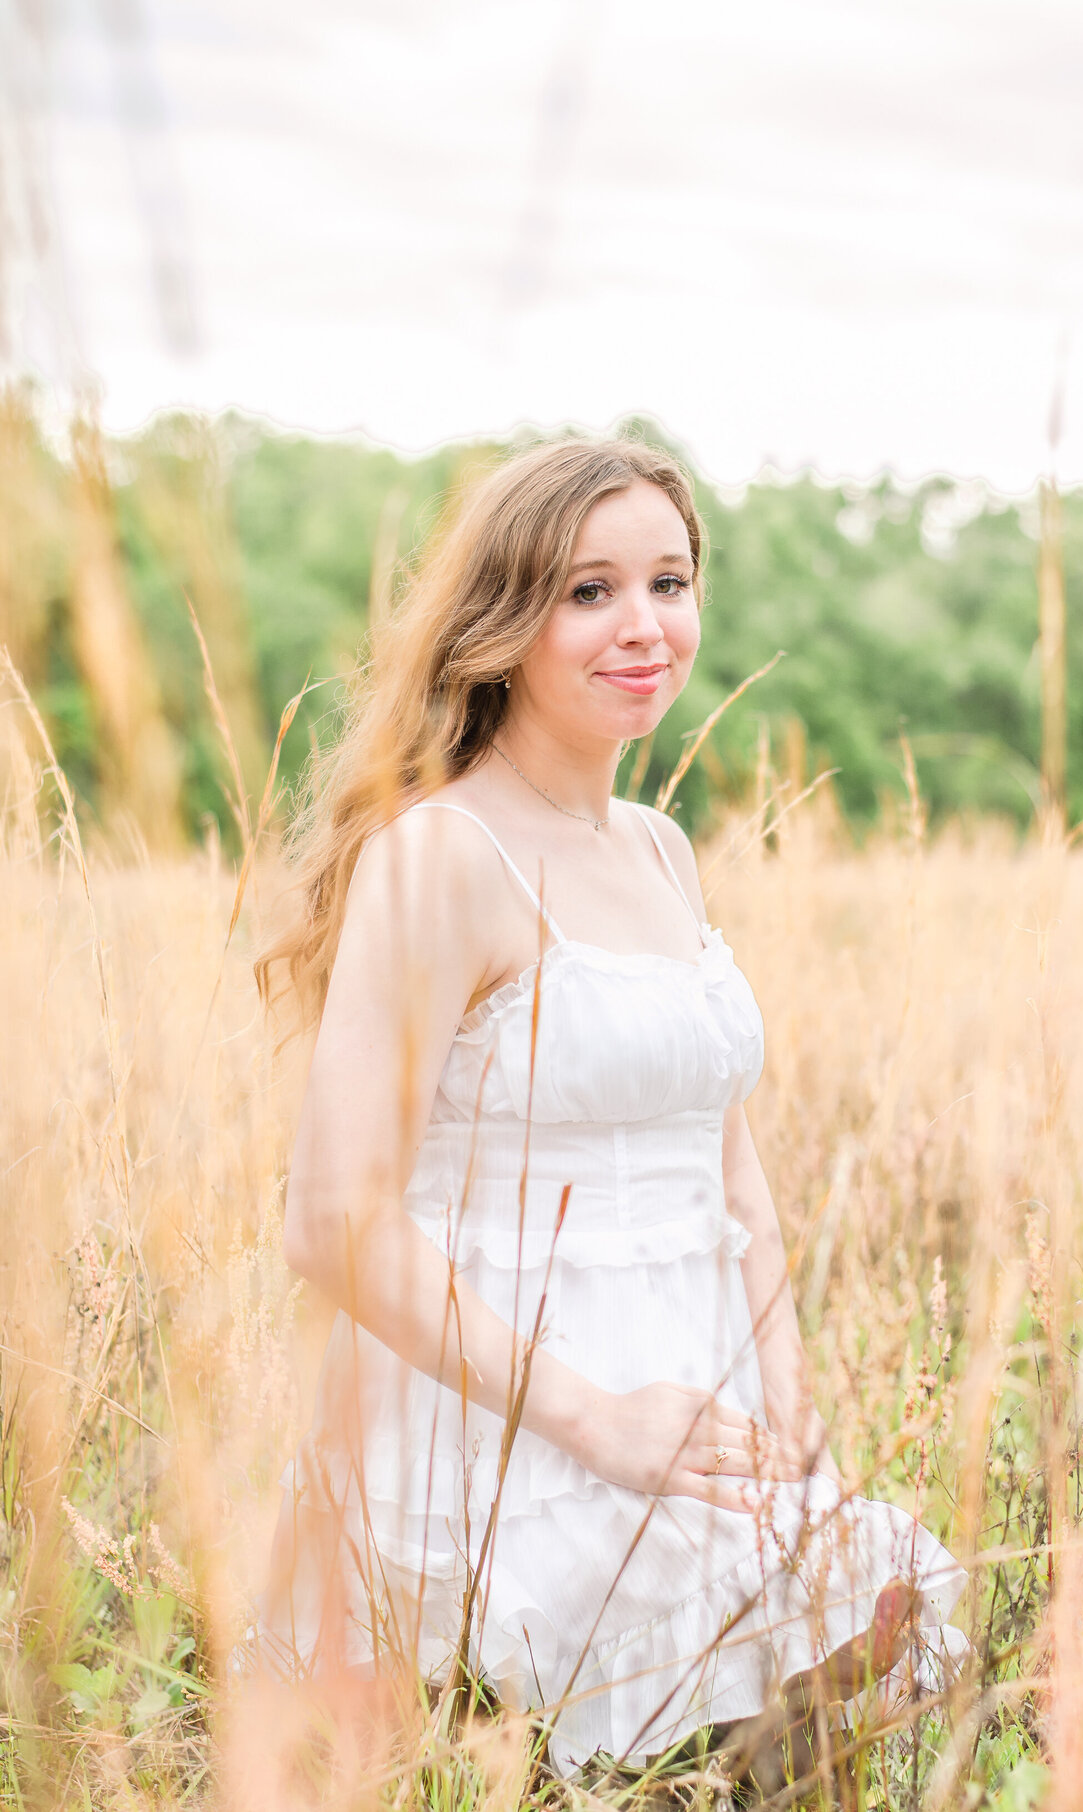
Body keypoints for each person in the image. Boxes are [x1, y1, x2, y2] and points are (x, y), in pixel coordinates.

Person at [254, 436, 967, 1782]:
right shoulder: (439, 858)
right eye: (589, 592)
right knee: (597, 1749)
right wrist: (592, 1420)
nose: (643, 626)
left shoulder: (659, 849)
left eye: (670, 581)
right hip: (513, 1424)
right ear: (504, 623)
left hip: (703, 1416)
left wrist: (791, 1416)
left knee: (872, 1626)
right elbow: (332, 1220)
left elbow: (733, 1177)